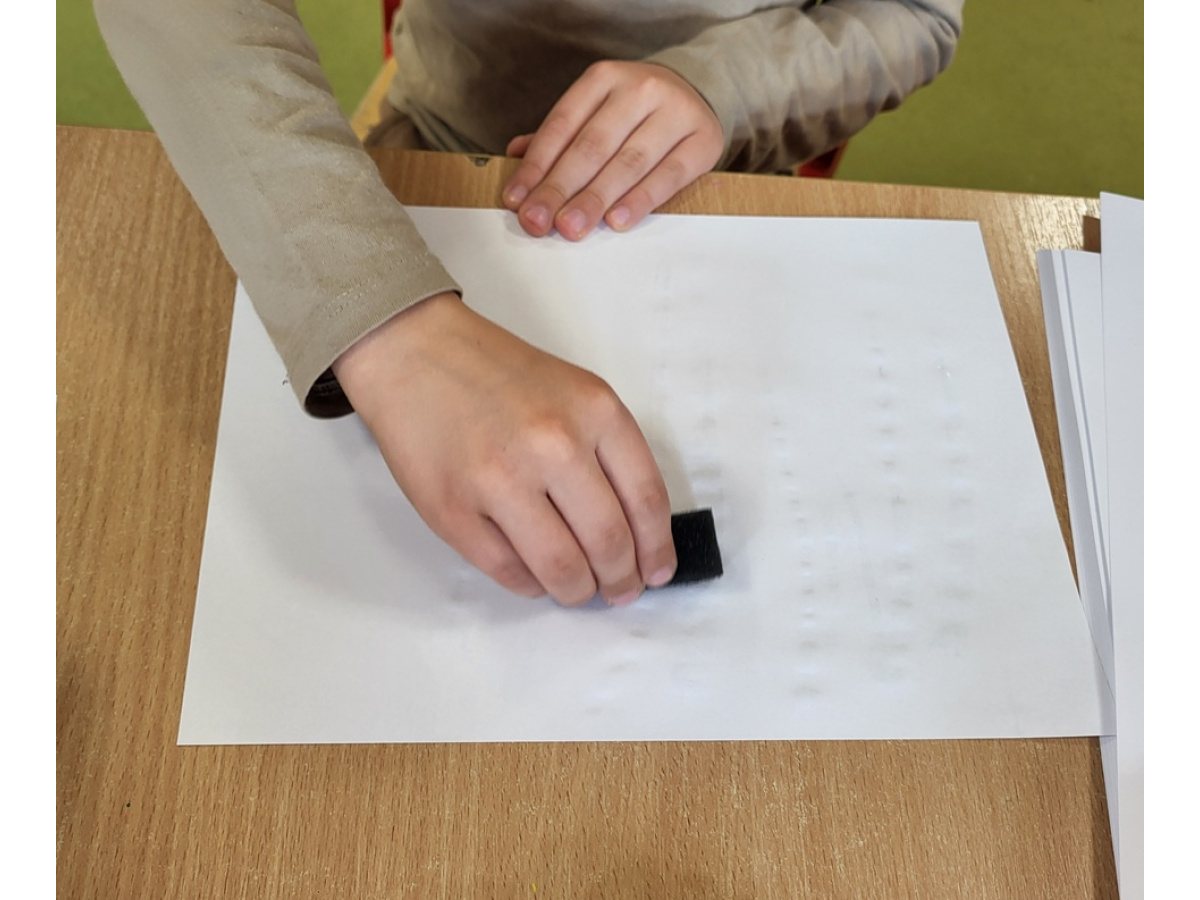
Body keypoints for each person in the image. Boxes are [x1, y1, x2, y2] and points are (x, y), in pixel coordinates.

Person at [94, 0, 963, 608]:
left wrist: (726, 82)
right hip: (432, 153)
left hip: (725, 183)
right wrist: (387, 323)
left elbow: (916, 15)